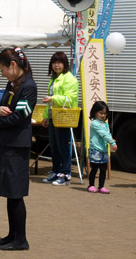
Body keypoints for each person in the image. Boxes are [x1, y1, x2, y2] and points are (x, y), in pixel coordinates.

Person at [0, 47, 37, 251]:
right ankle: (12, 234)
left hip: (18, 144)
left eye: (3, 69)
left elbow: (20, 116)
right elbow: (2, 105)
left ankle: (21, 239)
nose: (2, 73)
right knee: (9, 191)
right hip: (7, 143)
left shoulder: (29, 87)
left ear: (14, 65)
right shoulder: (12, 83)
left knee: (16, 193)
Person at [40, 51, 79, 186]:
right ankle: (56, 172)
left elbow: (70, 99)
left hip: (64, 117)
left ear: (65, 64)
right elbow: (49, 100)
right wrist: (46, 116)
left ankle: (66, 174)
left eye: (59, 62)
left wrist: (53, 98)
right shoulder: (54, 79)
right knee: (54, 146)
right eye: (54, 62)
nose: (56, 65)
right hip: (53, 116)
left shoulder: (70, 79)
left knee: (62, 146)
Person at [87, 101, 117, 194]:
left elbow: (107, 134)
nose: (103, 115)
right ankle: (91, 185)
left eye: (105, 113)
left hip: (103, 150)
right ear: (94, 112)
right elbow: (103, 134)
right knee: (95, 168)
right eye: (101, 113)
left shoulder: (105, 124)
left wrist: (110, 138)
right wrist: (112, 142)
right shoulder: (95, 123)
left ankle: (101, 187)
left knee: (103, 169)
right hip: (95, 150)